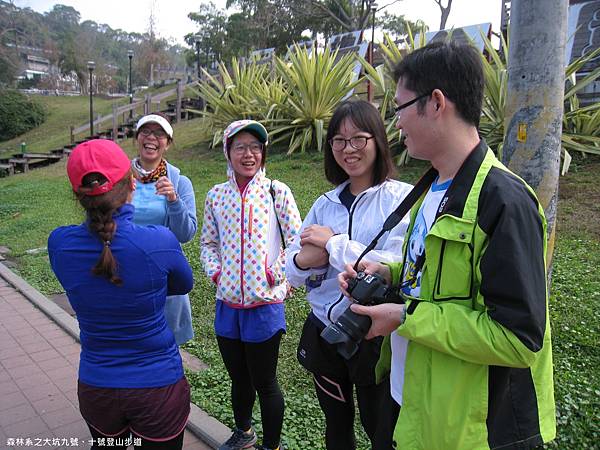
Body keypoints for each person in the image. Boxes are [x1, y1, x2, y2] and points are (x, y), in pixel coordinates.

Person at [339, 41, 556, 449]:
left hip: (466, 429)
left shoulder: (504, 201)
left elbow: (517, 338)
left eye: (400, 108)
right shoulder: (434, 186)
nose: (396, 123)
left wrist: (403, 317)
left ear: (436, 103)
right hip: (411, 400)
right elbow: (434, 275)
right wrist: (391, 273)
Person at [48, 139, 194, 450]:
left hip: (97, 386)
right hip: (158, 387)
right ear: (132, 184)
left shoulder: (59, 244)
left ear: (77, 194)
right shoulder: (159, 242)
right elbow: (183, 284)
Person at [285, 100, 413, 450]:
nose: (348, 149)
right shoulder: (325, 203)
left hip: (375, 334)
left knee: (380, 429)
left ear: (378, 141)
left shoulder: (401, 200)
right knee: (336, 426)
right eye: (338, 141)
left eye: (358, 139)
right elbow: (291, 270)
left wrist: (334, 244)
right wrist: (304, 261)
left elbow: (395, 264)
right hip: (325, 332)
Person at [200, 120, 302, 450]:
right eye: (241, 147)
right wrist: (218, 274)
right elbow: (207, 244)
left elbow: (297, 241)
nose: (249, 154)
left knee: (265, 382)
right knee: (238, 379)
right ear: (228, 152)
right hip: (228, 306)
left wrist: (276, 274)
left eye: (255, 147)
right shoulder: (216, 196)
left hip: (264, 306)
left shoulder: (276, 191)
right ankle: (244, 433)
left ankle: (271, 446)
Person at [131, 112, 197, 345]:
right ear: (137, 138)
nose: (152, 138)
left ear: (167, 144)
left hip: (163, 277)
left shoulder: (179, 182)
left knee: (166, 345)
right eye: (146, 132)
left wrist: (174, 200)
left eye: (159, 134)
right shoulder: (120, 178)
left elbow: (186, 234)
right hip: (126, 274)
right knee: (130, 342)